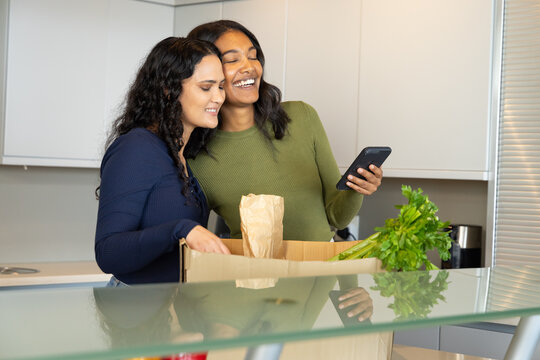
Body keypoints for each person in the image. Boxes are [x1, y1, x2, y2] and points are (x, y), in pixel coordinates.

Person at [186, 20, 383, 242]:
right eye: (232, 60)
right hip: (253, 274)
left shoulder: (301, 117)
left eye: (253, 56)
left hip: (320, 271)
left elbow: (337, 217)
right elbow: (194, 240)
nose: (249, 67)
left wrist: (358, 187)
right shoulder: (197, 160)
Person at [95, 37, 230, 286]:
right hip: (134, 314)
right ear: (169, 90)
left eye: (220, 86)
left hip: (171, 312)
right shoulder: (136, 149)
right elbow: (108, 253)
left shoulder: (181, 153)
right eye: (206, 87)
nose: (219, 97)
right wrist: (181, 229)